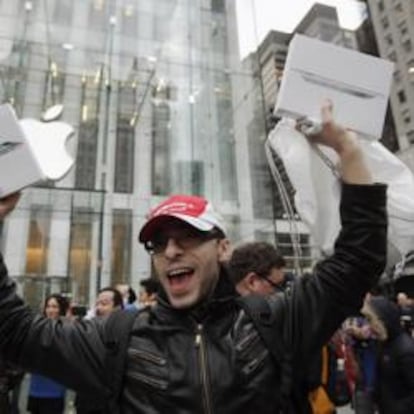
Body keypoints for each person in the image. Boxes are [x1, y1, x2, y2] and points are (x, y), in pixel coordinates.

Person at [0, 102, 387, 413]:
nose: (170, 251)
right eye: (159, 242)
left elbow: (357, 260)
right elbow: (14, 331)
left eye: (188, 237)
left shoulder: (275, 320)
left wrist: (348, 150)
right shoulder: (116, 338)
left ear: (222, 248)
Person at [362, 295, 414, 414]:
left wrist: (398, 409)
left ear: (384, 319)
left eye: (371, 320)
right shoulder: (385, 343)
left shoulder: (405, 350)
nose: (369, 326)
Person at [27, 294, 69, 414]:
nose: (51, 310)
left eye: (55, 306)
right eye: (48, 306)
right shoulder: (37, 327)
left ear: (61, 309)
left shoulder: (66, 329)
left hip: (55, 387)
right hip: (35, 386)